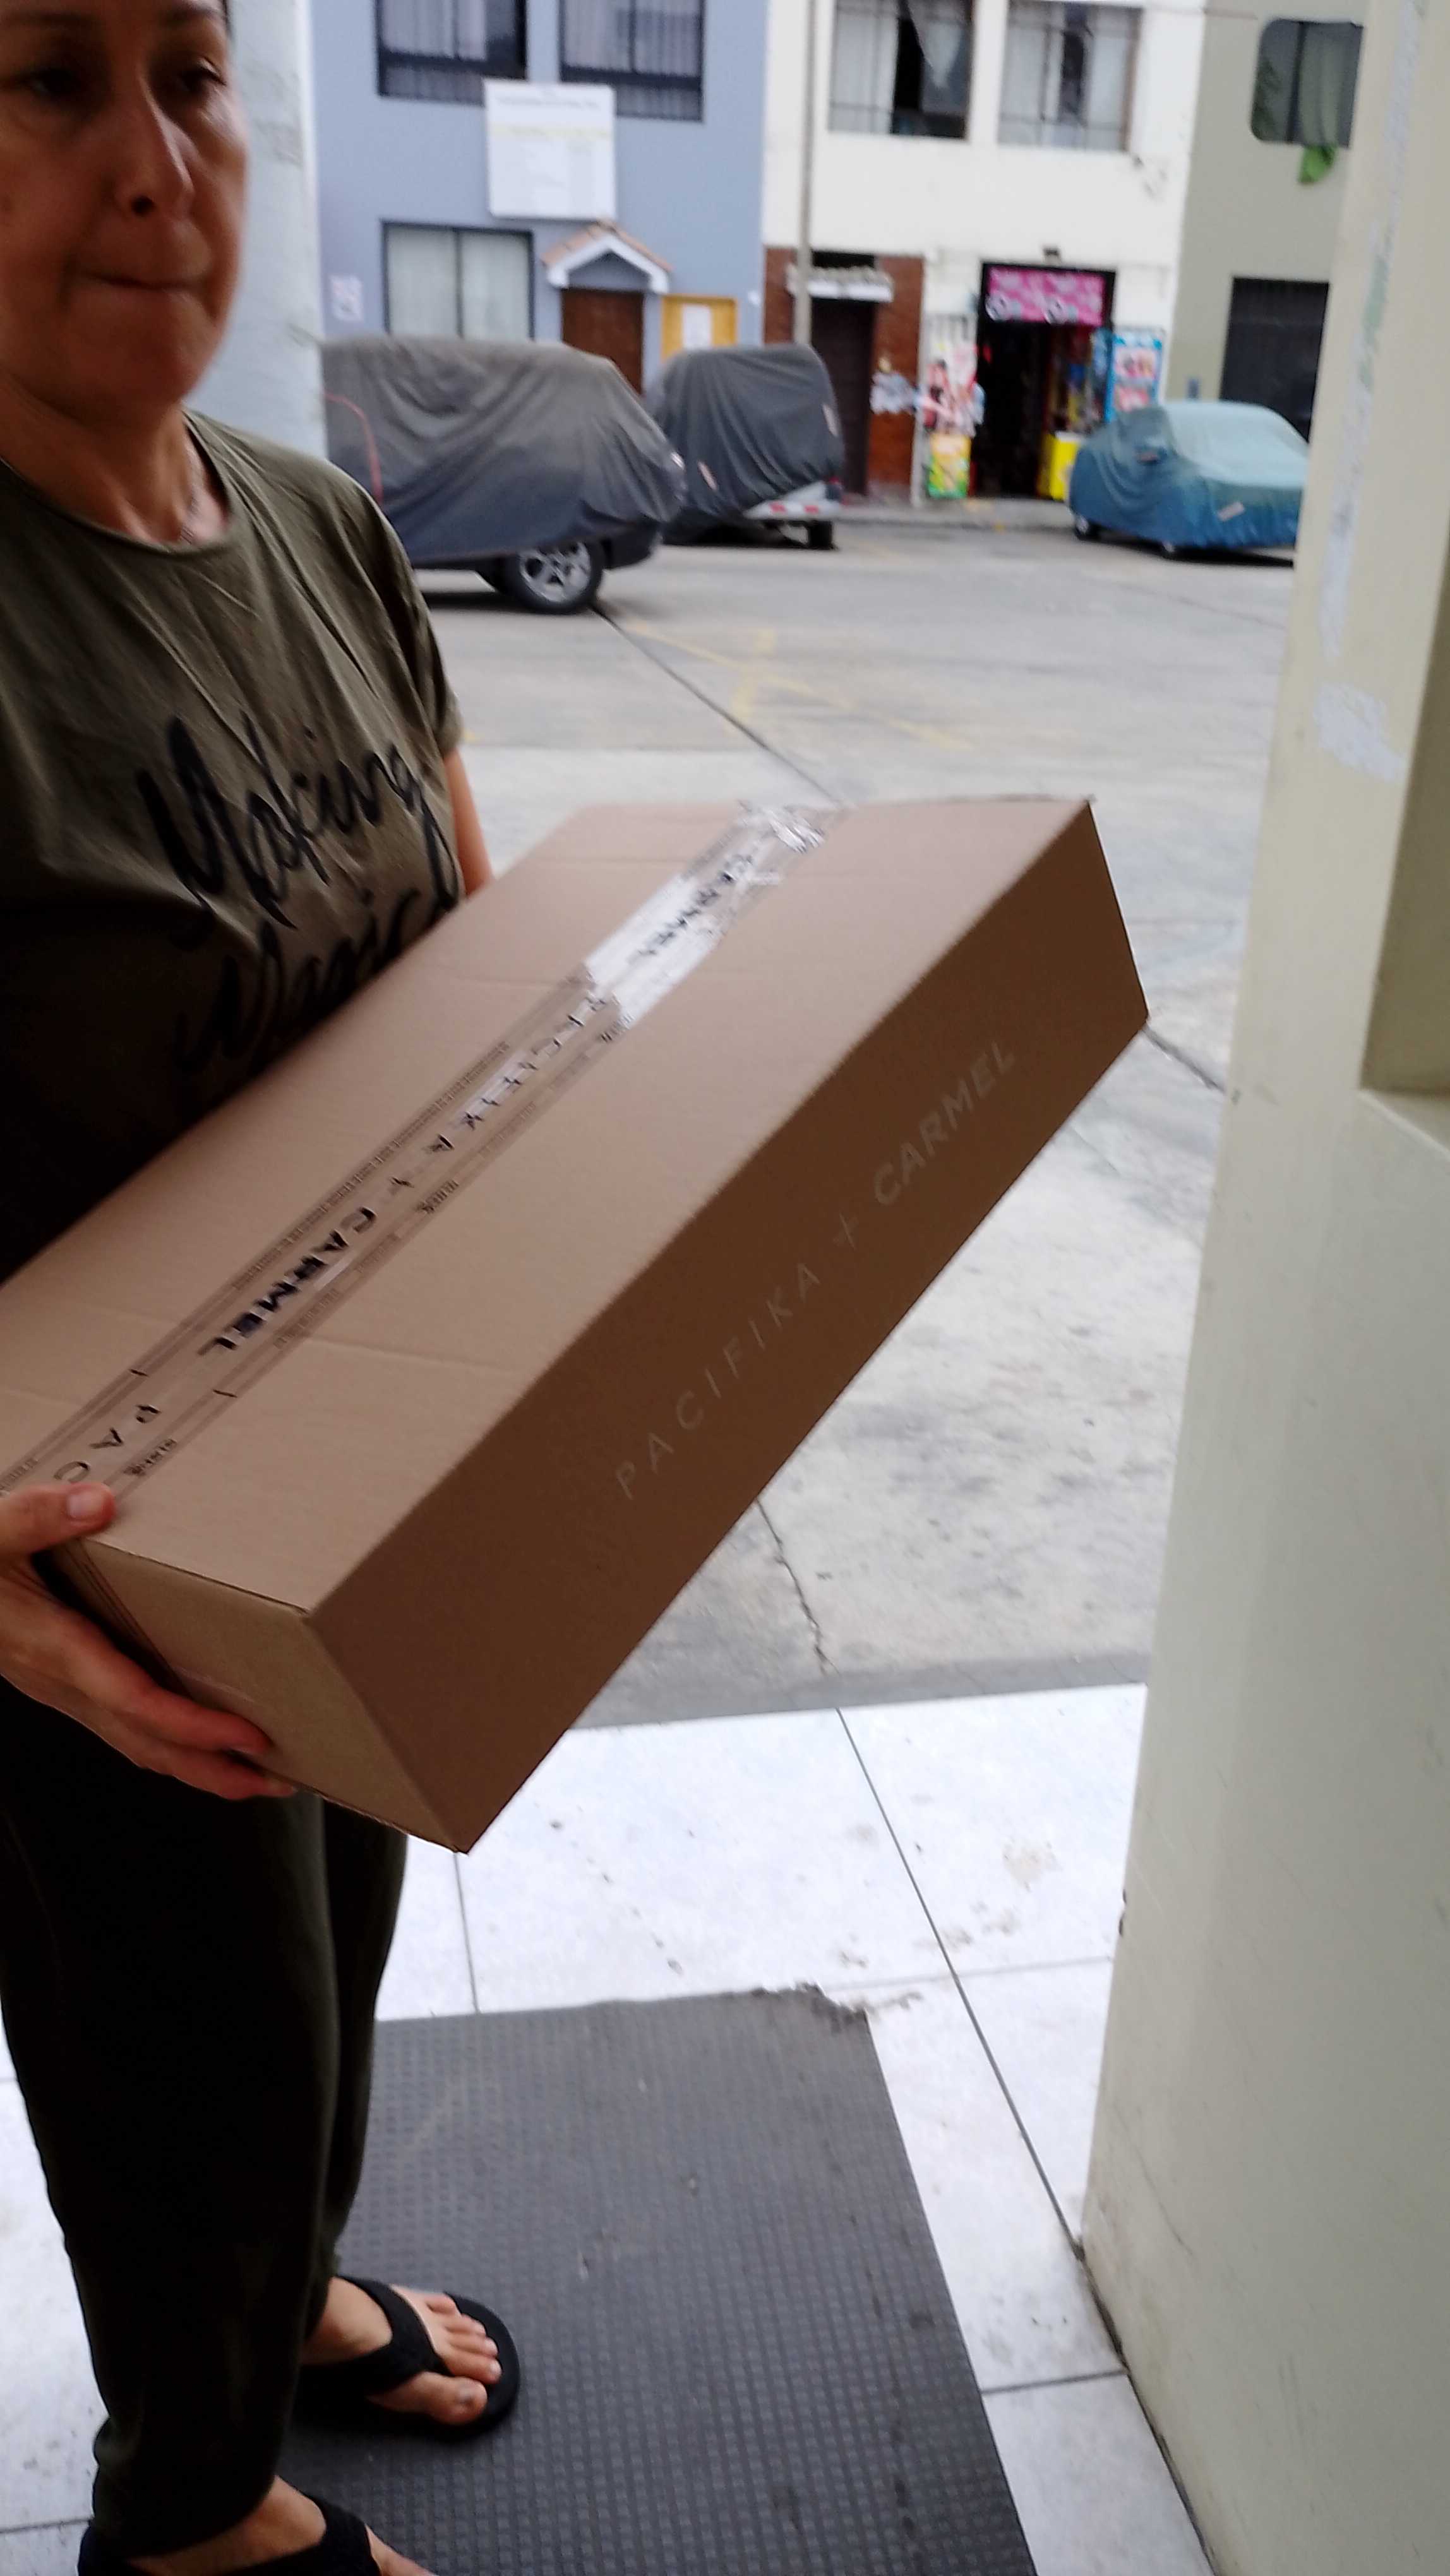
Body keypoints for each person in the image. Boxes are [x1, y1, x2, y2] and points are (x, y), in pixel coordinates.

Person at [0, 6, 520, 2570]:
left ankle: (289, 2286)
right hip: (90, 1571)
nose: (153, 166)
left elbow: (483, 970)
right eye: (46, 81)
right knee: (176, 2046)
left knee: (332, 1952)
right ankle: (193, 2513)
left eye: (190, 75)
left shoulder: (323, 534)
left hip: (346, 1491)